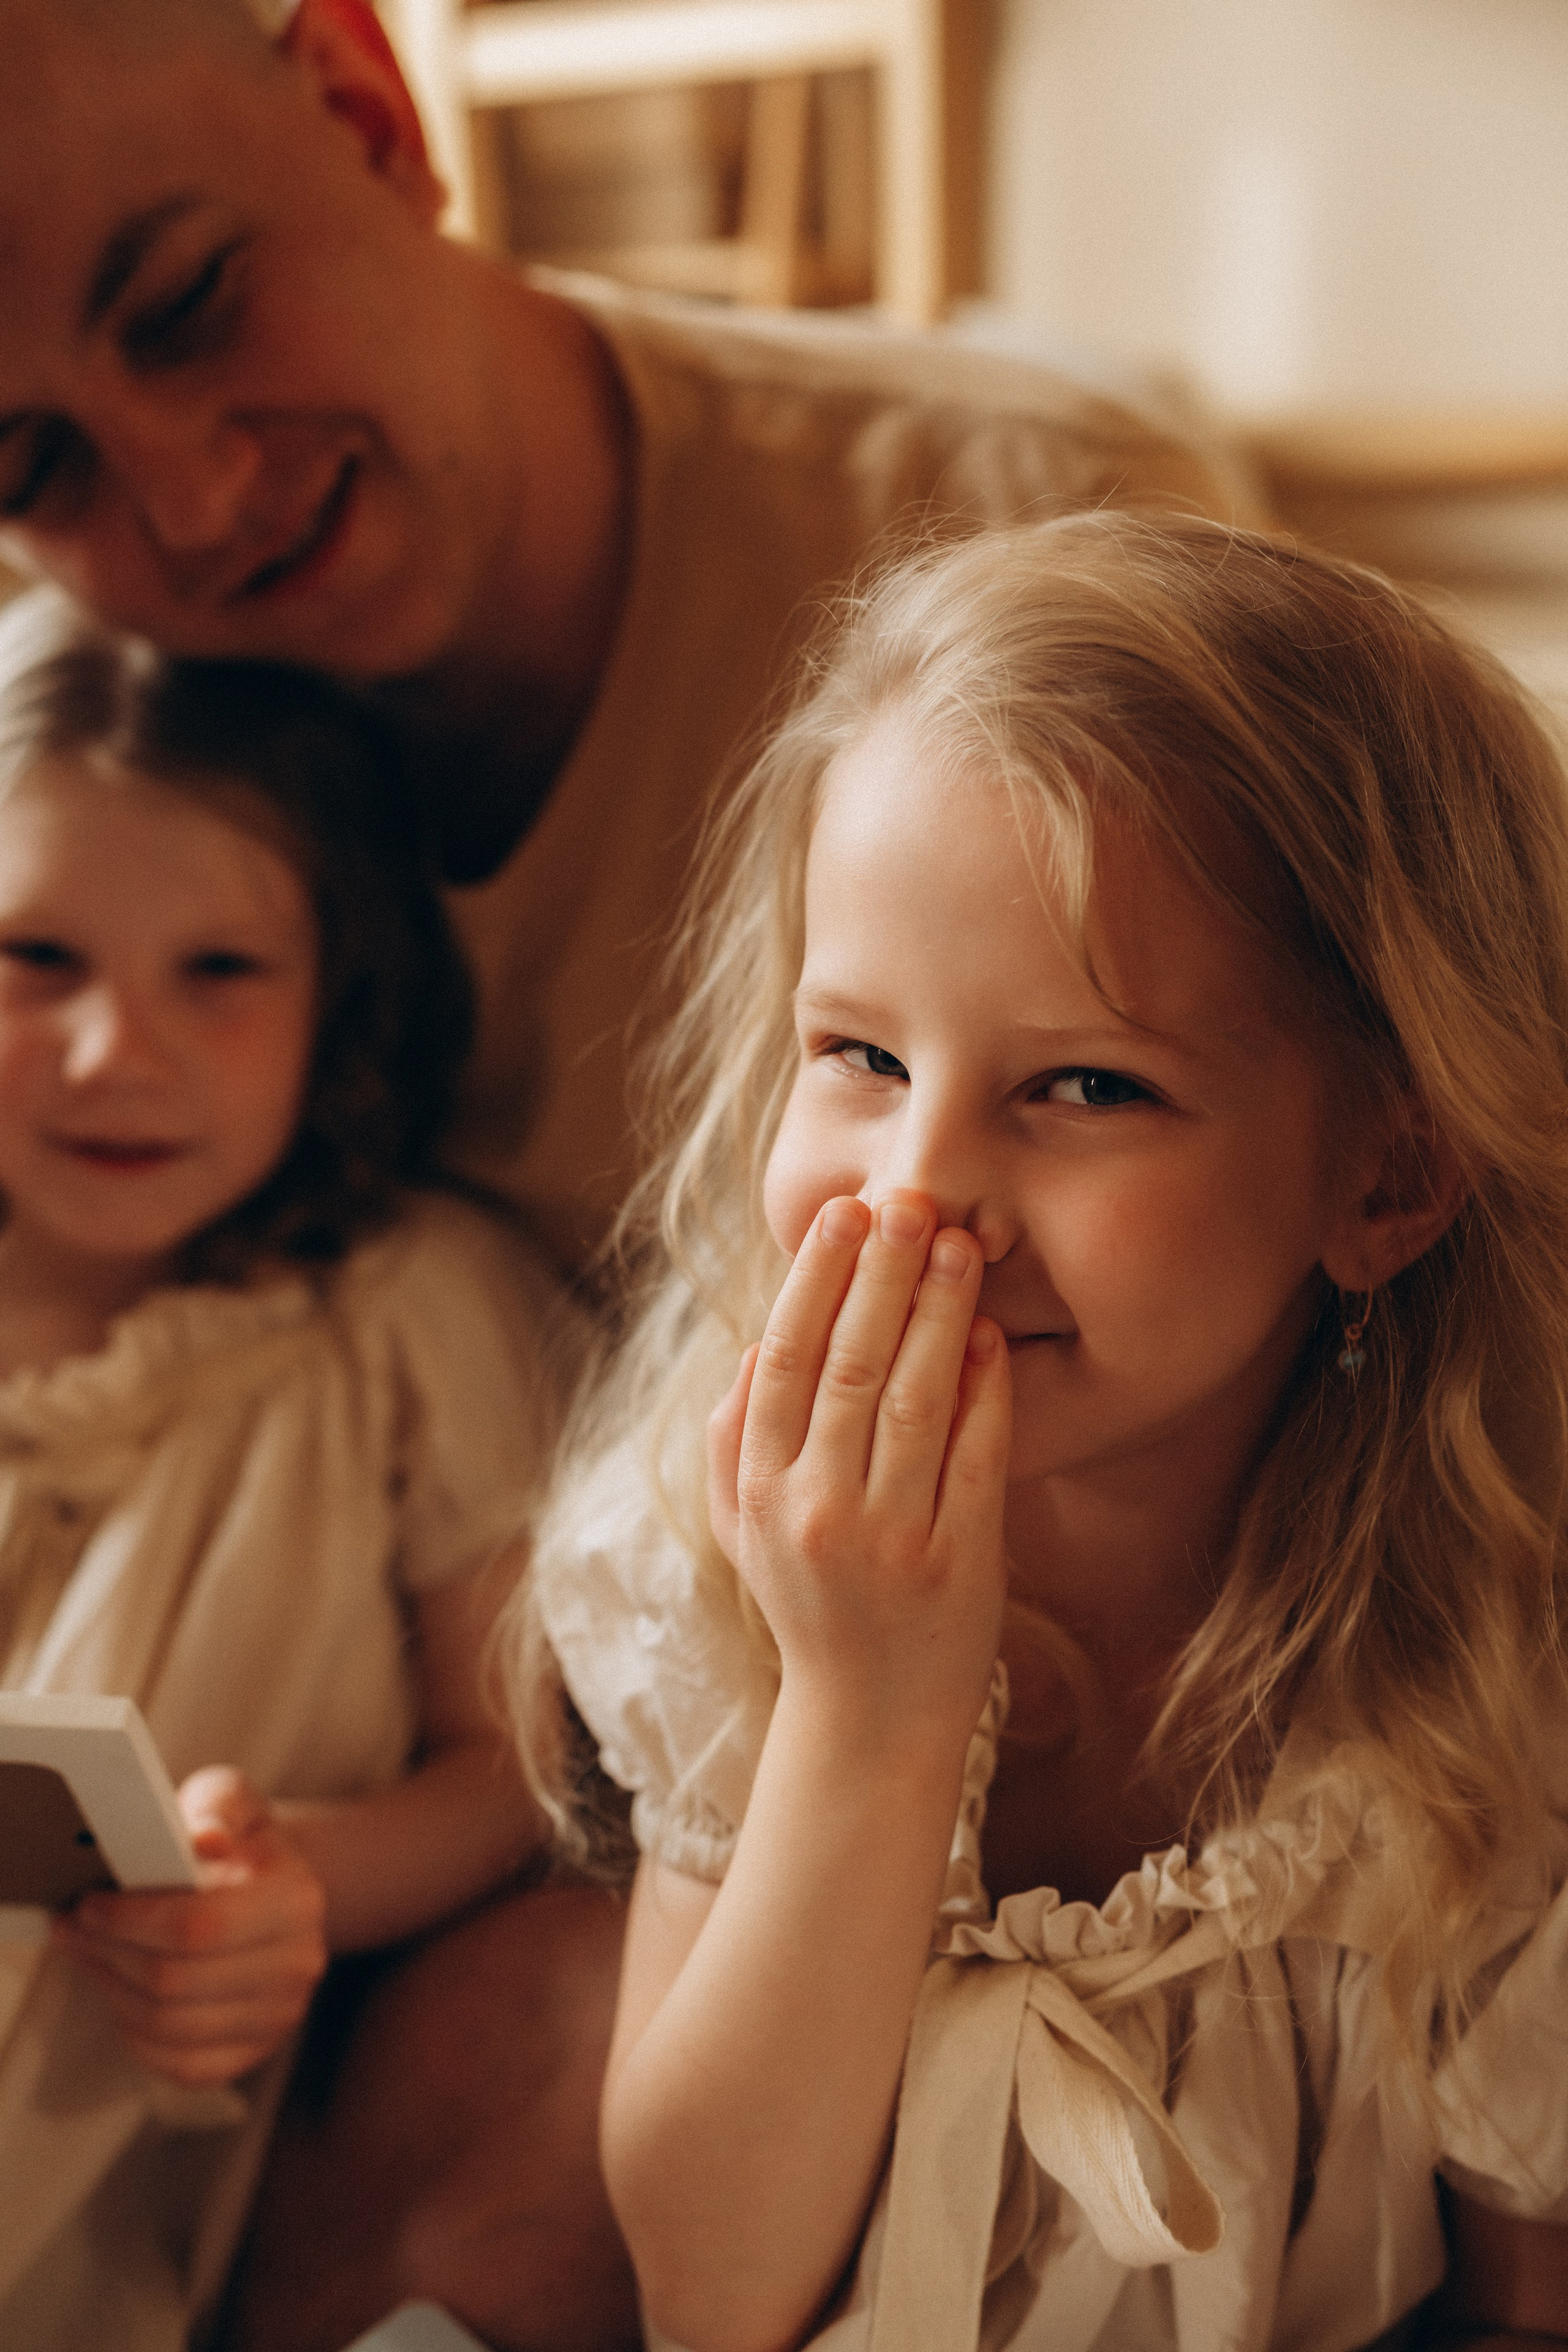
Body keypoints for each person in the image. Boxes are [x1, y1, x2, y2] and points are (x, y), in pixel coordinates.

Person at [530, 513, 1568, 2352]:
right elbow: (707, 2287)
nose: (921, 1195)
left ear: (1391, 1176)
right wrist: (873, 1708)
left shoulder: (1493, 1660)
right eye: (856, 1055)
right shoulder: (713, 1552)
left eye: (1086, 1085)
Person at [0, 591, 585, 2352]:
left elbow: (524, 1766)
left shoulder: (408, 1312)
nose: (115, 1052)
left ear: (341, 992)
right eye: (35, 962)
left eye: (221, 972)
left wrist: (303, 1888)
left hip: (144, 2146)